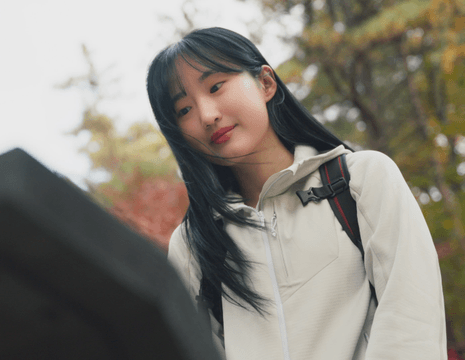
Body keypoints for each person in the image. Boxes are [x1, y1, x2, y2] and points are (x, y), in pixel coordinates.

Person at [146, 27, 446, 360]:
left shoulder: (360, 180)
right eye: (184, 110)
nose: (207, 115)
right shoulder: (193, 244)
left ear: (265, 83)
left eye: (216, 87)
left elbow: (411, 316)